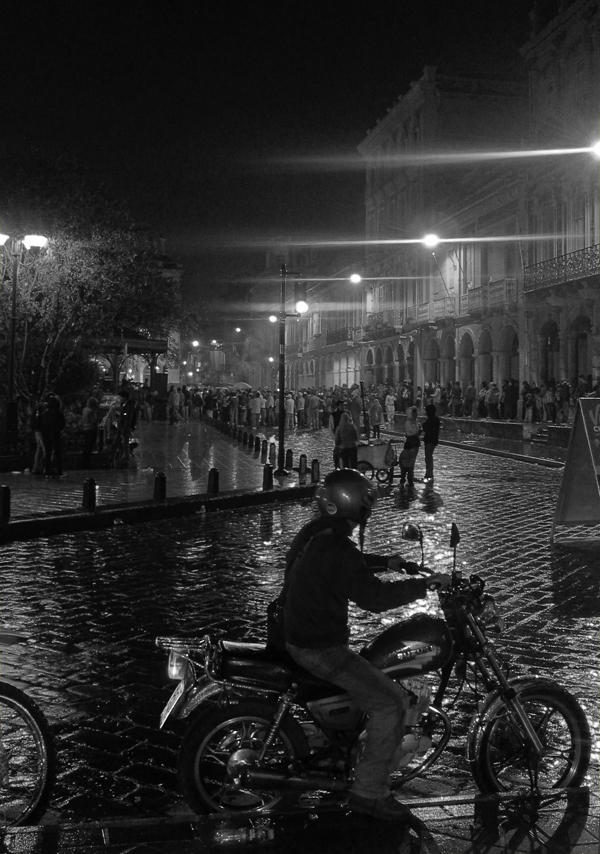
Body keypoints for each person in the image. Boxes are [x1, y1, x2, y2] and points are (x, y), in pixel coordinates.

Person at [280, 469, 449, 820]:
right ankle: (369, 792)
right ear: (354, 504)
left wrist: (385, 562)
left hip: (301, 635)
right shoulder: (336, 546)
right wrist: (426, 586)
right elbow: (373, 597)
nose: (368, 511)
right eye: (366, 504)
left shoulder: (319, 533)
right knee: (391, 701)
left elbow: (348, 564)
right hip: (319, 647)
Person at [41, 393, 66, 478]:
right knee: (57, 453)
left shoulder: (45, 413)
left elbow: (42, 424)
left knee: (48, 453)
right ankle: (59, 470)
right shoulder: (59, 413)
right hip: (55, 434)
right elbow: (62, 424)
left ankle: (47, 471)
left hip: (46, 435)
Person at [422, 403, 440, 484]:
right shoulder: (435, 419)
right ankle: (429, 474)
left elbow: (426, 428)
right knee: (428, 457)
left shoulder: (432, 420)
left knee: (428, 458)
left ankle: (429, 474)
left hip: (430, 441)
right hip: (432, 440)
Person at [81, 396, 99, 468]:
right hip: (91, 429)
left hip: (85, 429)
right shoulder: (91, 411)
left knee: (86, 446)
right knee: (90, 447)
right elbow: (93, 421)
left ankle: (84, 462)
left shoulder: (84, 409)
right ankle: (88, 463)